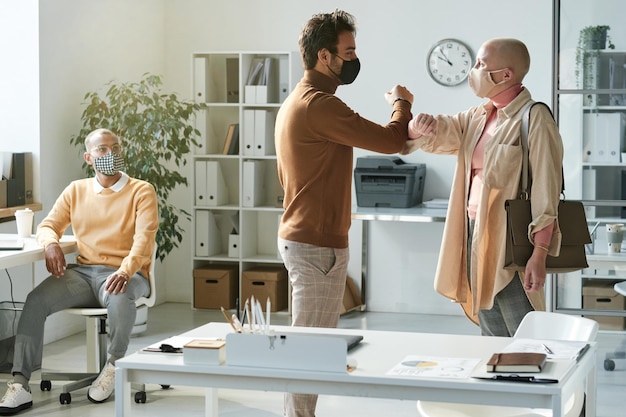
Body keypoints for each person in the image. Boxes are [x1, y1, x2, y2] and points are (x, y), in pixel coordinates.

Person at [274, 9, 414, 417]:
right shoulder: (320, 106)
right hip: (317, 245)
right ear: (325, 56)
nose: (354, 59)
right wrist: (402, 103)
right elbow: (392, 141)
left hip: (305, 239)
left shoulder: (299, 101)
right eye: (348, 51)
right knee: (310, 350)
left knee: (309, 347)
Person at [402, 38, 563, 337]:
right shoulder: (477, 116)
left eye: (480, 65)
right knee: (489, 325)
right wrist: (416, 126)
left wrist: (539, 253)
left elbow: (546, 189)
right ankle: (497, 380)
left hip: (511, 236)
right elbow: (442, 132)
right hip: (472, 229)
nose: (473, 71)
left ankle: (530, 381)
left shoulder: (534, 117)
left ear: (505, 75)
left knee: (522, 327)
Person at [0, 128, 158, 415]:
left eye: (115, 148)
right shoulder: (76, 190)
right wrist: (50, 244)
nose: (111, 154)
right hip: (84, 273)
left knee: (120, 295)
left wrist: (124, 271)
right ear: (89, 157)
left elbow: (144, 240)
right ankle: (20, 384)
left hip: (128, 274)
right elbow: (48, 225)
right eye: (102, 150)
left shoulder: (141, 190)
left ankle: (113, 366)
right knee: (35, 300)